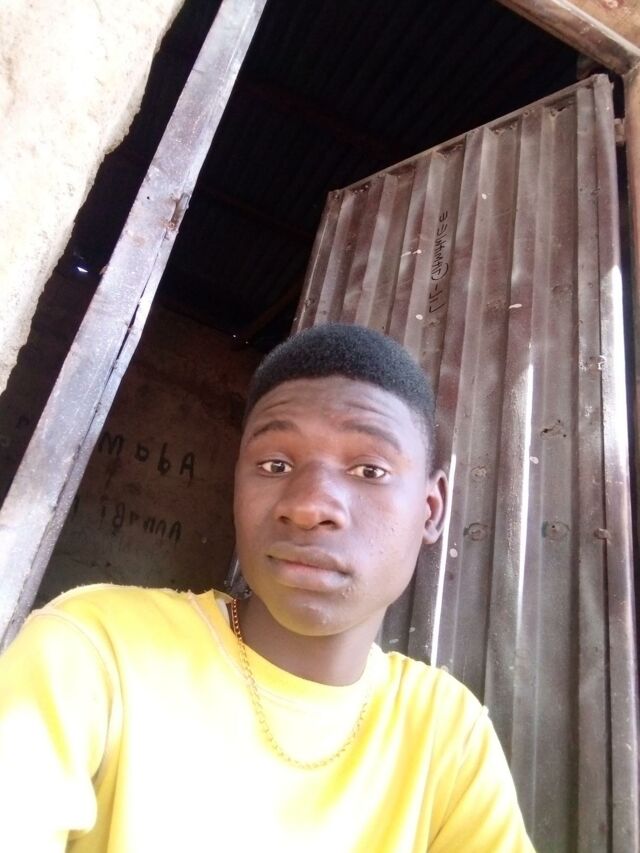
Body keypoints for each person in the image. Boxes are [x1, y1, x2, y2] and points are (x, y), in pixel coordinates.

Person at [0, 323, 535, 852]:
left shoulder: (447, 736)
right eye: (275, 464)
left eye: (369, 470)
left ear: (431, 509)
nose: (308, 506)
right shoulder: (95, 650)